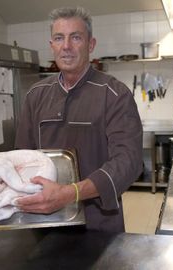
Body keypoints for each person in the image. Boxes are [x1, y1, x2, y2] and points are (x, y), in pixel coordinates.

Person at [14, 6, 143, 233]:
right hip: (44, 221)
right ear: (51, 45)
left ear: (90, 45)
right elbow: (21, 156)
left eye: (76, 37)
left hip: (97, 224)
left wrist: (71, 193)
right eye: (59, 38)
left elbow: (128, 162)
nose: (66, 46)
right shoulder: (36, 95)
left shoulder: (114, 94)